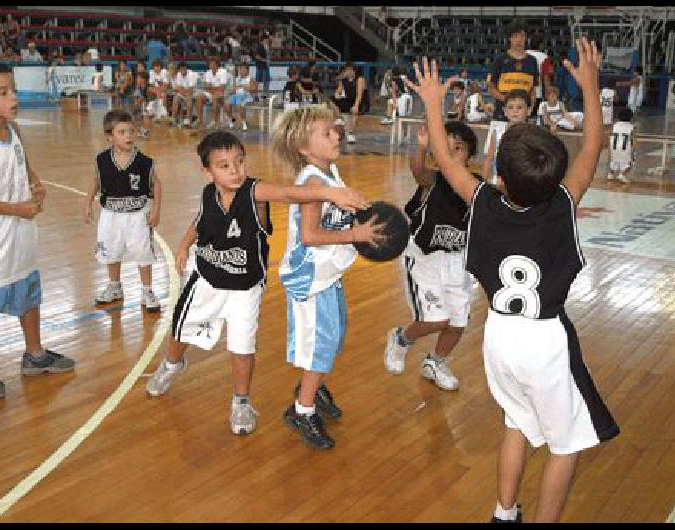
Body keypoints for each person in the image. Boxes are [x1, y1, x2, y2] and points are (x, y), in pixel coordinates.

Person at [406, 38, 619, 523]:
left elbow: (444, 156)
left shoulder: (480, 201)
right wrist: (589, 86)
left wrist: (434, 105)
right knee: (565, 446)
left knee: (516, 424)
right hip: (545, 339)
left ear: (498, 175)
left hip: (498, 336)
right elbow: (592, 144)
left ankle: (504, 513)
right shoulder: (564, 204)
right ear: (558, 181)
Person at [145, 130, 371, 436]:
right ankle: (172, 365)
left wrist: (330, 193)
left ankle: (241, 401)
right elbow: (199, 222)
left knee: (242, 346)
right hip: (207, 281)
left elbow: (290, 193)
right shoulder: (207, 194)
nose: (235, 170)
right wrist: (185, 246)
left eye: (239, 161)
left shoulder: (254, 192)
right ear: (207, 171)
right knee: (181, 328)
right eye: (224, 165)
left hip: (246, 287)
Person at [272, 105, 387, 449]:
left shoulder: (330, 172)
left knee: (333, 338)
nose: (337, 134)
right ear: (305, 149)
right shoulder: (312, 182)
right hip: (309, 278)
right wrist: (355, 235)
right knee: (319, 346)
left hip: (328, 273)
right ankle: (302, 410)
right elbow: (310, 235)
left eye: (335, 129)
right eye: (327, 133)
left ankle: (312, 384)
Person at [0, 64, 76, 400]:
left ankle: (34, 355)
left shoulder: (15, 132)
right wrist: (16, 209)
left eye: (13, 89)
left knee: (28, 288)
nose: (14, 97)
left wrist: (36, 186)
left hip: (20, 229)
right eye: (3, 92)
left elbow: (25, 169)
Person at [384, 121, 482, 391]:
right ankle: (401, 339)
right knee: (436, 319)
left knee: (458, 323)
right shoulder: (432, 180)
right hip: (424, 259)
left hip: (457, 262)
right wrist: (422, 147)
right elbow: (417, 169)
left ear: (470, 156)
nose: (451, 153)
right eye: (445, 148)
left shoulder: (477, 187)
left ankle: (435, 363)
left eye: (458, 148)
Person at [83, 110, 168, 311]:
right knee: (111, 250)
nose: (128, 136)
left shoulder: (144, 161)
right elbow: (96, 181)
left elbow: (156, 184)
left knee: (142, 252)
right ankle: (115, 287)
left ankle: (147, 290)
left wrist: (156, 210)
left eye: (131, 131)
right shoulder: (102, 160)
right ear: (110, 137)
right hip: (110, 214)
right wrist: (87, 203)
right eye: (122, 132)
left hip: (138, 214)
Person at [486, 21, 539, 166]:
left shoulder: (532, 61)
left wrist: (530, 107)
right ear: (509, 38)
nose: (519, 39)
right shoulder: (500, 60)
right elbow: (490, 88)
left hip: (522, 118)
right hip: (501, 116)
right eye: (515, 36)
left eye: (522, 36)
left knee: (521, 156)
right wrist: (509, 101)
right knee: (494, 156)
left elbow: (533, 89)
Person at [483, 89, 531, 182]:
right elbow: (489, 159)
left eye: (519, 107)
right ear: (505, 111)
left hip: (523, 182)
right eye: (511, 107)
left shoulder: (532, 134)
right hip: (499, 181)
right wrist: (483, 182)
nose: (515, 111)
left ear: (528, 110)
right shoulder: (497, 132)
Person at [330, 62, 370, 144]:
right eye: (346, 70)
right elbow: (338, 91)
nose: (347, 72)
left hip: (360, 101)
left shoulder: (360, 79)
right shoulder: (344, 80)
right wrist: (337, 95)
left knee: (354, 110)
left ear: (353, 71)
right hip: (349, 100)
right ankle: (339, 119)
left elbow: (359, 95)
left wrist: (356, 106)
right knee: (331, 101)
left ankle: (351, 133)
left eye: (349, 70)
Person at [224, 62, 258, 131]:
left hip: (247, 96)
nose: (241, 71)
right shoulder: (237, 79)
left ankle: (244, 122)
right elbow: (233, 90)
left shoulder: (251, 79)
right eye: (240, 69)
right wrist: (232, 91)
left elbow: (254, 90)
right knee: (226, 104)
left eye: (243, 69)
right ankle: (232, 120)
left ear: (247, 70)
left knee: (238, 105)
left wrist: (244, 87)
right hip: (236, 96)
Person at [199, 57, 231, 129]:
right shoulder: (208, 72)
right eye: (210, 64)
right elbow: (205, 87)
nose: (212, 66)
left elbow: (222, 88)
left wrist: (211, 89)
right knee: (199, 96)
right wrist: (213, 89)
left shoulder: (223, 72)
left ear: (217, 65)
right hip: (213, 92)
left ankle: (213, 121)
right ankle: (199, 120)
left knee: (215, 97)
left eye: (213, 64)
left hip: (224, 93)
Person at [606, 107, 635, 184]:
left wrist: (608, 147)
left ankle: (610, 174)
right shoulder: (632, 127)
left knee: (613, 162)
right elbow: (634, 140)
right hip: (625, 148)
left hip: (614, 147)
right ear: (631, 117)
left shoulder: (614, 126)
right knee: (629, 164)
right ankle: (622, 174)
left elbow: (609, 136)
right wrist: (633, 150)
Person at [171, 62, 202, 128]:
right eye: (181, 69)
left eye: (184, 69)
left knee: (188, 97)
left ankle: (188, 119)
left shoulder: (191, 74)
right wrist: (183, 91)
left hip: (196, 92)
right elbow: (179, 88)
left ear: (186, 69)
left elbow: (191, 90)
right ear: (179, 70)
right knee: (176, 98)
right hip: (185, 92)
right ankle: (173, 119)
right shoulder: (179, 74)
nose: (183, 70)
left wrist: (183, 91)